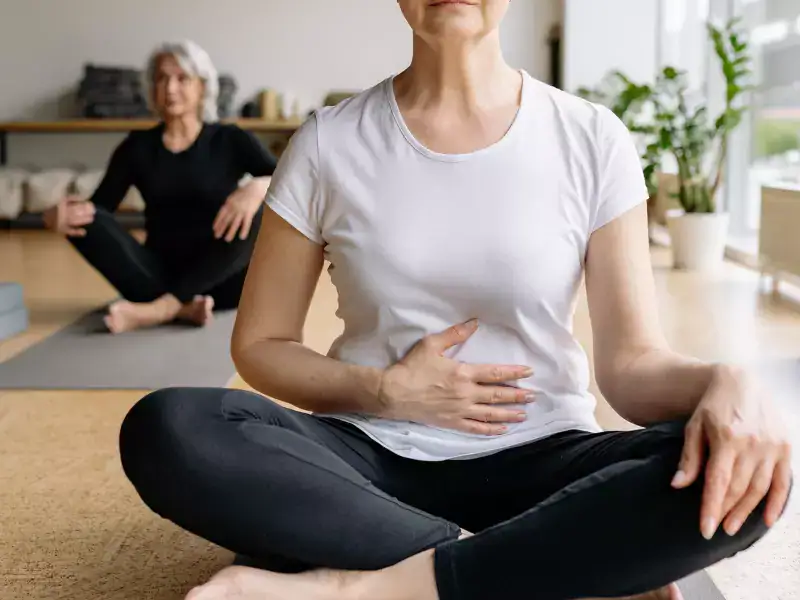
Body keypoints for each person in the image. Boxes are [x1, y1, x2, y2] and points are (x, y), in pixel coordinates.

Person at [119, 3, 793, 600]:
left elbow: (631, 366)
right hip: (368, 460)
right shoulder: (328, 142)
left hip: (545, 457)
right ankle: (535, 564)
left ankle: (364, 586)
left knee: (749, 471)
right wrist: (385, 391)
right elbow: (260, 346)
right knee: (170, 427)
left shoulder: (591, 137)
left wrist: (726, 380)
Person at [43, 40, 277, 334]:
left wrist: (257, 187)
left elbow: (288, 180)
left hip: (223, 280)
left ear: (202, 87)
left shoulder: (230, 139)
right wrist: (56, 216)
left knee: (266, 207)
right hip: (156, 275)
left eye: (182, 78)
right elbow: (100, 210)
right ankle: (181, 306)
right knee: (84, 217)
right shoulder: (136, 147)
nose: (170, 88)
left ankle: (161, 309)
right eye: (161, 78)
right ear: (151, 88)